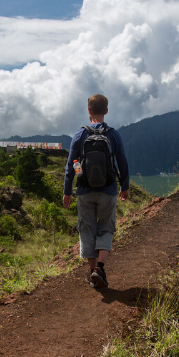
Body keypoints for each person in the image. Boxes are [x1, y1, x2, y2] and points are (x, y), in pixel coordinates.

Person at [63, 94, 129, 289]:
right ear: (106, 111)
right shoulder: (114, 134)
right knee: (106, 228)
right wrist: (124, 187)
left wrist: (68, 191)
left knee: (87, 230)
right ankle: (99, 268)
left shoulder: (79, 135)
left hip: (84, 190)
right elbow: (122, 163)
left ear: (89, 110)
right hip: (108, 190)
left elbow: (71, 165)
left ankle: (93, 272)